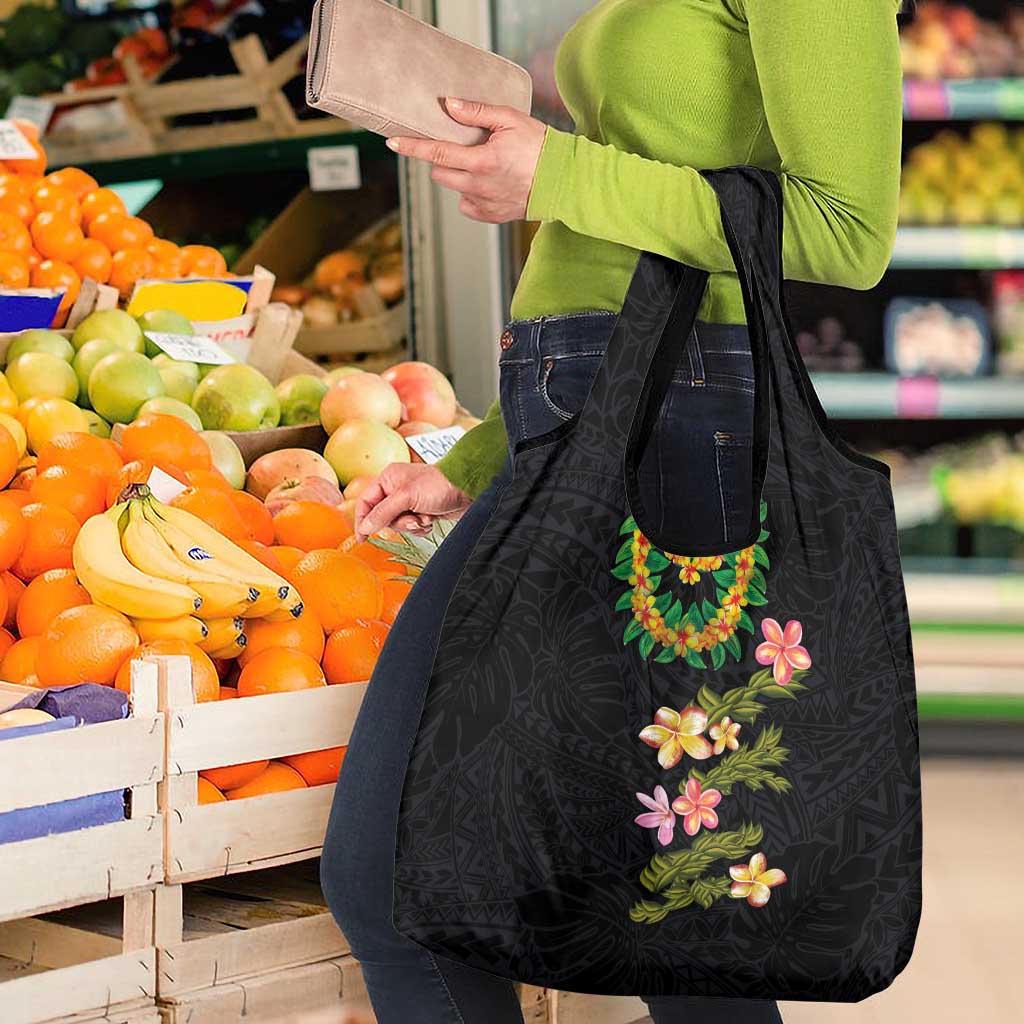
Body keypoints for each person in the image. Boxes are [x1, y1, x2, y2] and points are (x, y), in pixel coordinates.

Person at [321, 2, 905, 1021]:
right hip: (591, 423)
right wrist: (481, 456)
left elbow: (847, 229)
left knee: (404, 874)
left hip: (672, 438)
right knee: (665, 911)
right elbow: (622, 244)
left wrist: (556, 172)